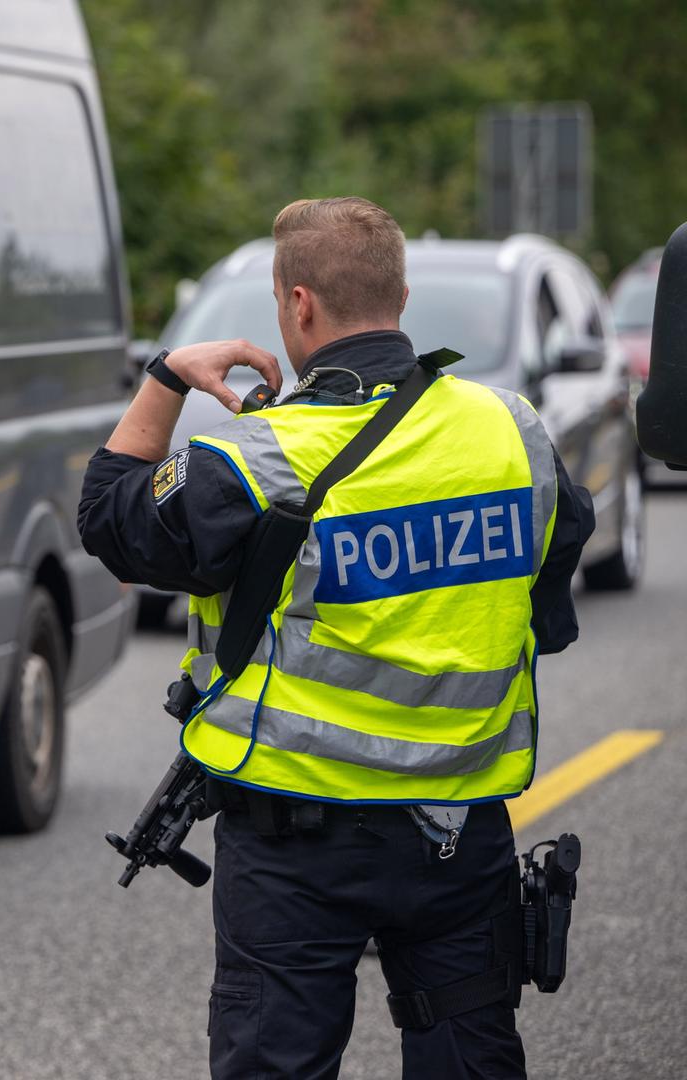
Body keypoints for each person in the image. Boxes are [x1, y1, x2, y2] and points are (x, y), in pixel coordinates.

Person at [78, 197, 593, 1079]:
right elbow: (549, 604)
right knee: (470, 1060)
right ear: (400, 295)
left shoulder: (255, 458)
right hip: (459, 828)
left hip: (295, 839)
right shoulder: (516, 432)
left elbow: (109, 516)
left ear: (298, 304)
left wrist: (165, 376)